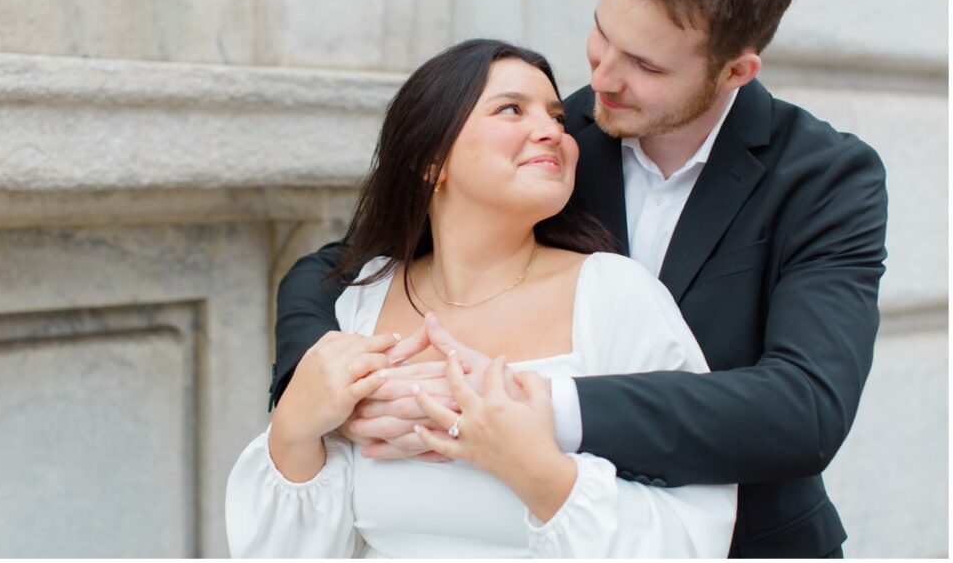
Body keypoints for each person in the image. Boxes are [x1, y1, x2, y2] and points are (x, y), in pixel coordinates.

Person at [268, 0, 888, 559]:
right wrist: (318, 379)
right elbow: (335, 265)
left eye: (646, 65)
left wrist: (542, 407)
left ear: (736, 70)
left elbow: (805, 407)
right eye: (602, 33)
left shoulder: (826, 176)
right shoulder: (555, 146)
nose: (603, 76)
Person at [226, 39, 737, 557]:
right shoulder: (363, 299)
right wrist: (293, 425)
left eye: (558, 119)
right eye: (512, 109)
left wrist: (527, 463)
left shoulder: (614, 294)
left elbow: (693, 530)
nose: (553, 132)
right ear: (431, 160)